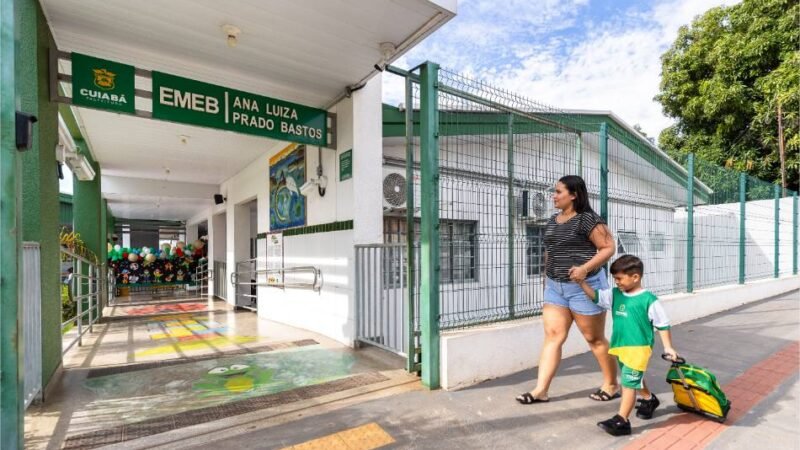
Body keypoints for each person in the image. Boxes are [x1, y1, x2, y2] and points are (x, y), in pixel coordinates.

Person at [516, 175, 618, 405]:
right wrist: (546, 278)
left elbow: (608, 247)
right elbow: (550, 250)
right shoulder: (553, 220)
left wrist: (584, 269)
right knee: (553, 336)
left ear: (574, 195)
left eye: (558, 192)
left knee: (594, 338)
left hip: (585, 287)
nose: (553, 196)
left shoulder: (588, 219)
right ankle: (540, 390)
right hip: (555, 288)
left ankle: (611, 384)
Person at [578, 255, 678, 436]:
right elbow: (596, 296)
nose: (616, 282)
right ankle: (649, 399)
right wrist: (581, 283)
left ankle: (622, 420)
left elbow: (663, 324)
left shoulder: (648, 300)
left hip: (638, 349)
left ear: (635, 277)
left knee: (628, 384)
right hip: (620, 347)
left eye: (619, 278)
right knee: (631, 378)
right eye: (614, 278)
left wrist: (668, 347)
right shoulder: (615, 294)